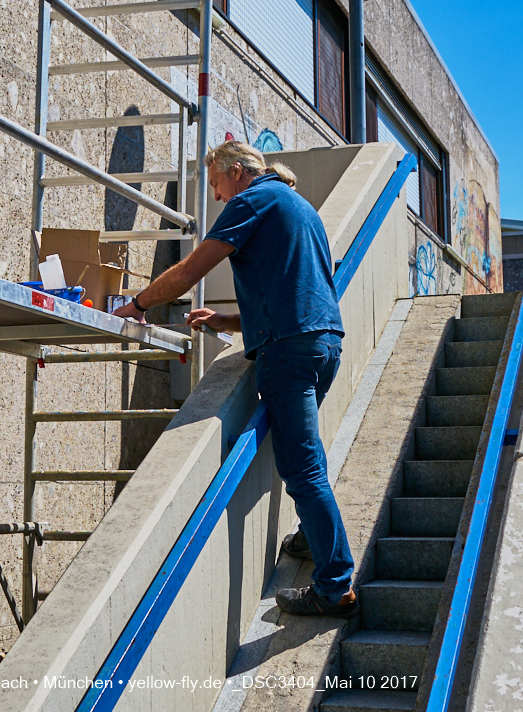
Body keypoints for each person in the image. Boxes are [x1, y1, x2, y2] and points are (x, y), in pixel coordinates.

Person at [112, 140, 356, 618]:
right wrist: (227, 323)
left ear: (238, 172)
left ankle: (335, 587)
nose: (219, 198)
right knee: (306, 454)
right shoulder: (298, 206)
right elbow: (296, 293)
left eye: (218, 186)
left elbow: (188, 270)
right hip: (324, 344)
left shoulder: (252, 200)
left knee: (302, 469)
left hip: (288, 354)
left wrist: (137, 305)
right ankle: (313, 538)